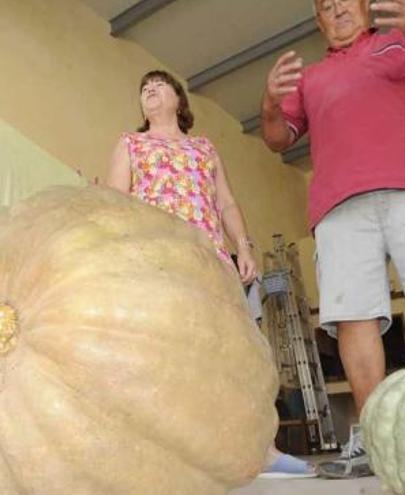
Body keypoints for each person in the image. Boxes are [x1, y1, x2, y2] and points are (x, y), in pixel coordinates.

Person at [260, 0, 405, 478]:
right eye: (324, 5)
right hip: (339, 208)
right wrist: (268, 102)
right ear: (318, 21)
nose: (336, 7)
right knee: (352, 318)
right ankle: (373, 439)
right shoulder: (311, 77)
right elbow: (279, 138)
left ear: (366, 5)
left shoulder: (403, 42)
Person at [106, 69, 315, 479]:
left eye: (158, 84)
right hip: (157, 261)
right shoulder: (131, 144)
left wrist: (244, 246)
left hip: (212, 262)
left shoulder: (203, 148)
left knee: (235, 352)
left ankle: (263, 452)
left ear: (179, 101)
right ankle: (171, 457)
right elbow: (114, 203)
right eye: (143, 87)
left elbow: (227, 204)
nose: (149, 89)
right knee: (165, 355)